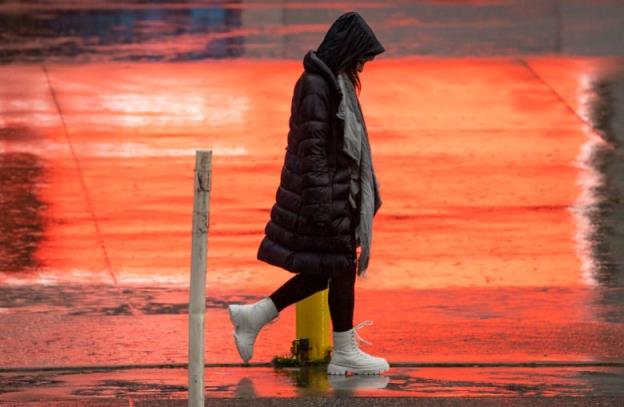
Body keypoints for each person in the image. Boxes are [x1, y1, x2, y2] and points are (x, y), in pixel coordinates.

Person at [228, 11, 388, 375]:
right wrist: (323, 208)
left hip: (333, 194)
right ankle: (343, 350)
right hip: (323, 197)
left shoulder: (333, 82)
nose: (363, 66)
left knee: (329, 269)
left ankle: (256, 316)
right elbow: (311, 150)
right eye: (362, 57)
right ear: (348, 51)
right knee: (338, 266)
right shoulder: (318, 86)